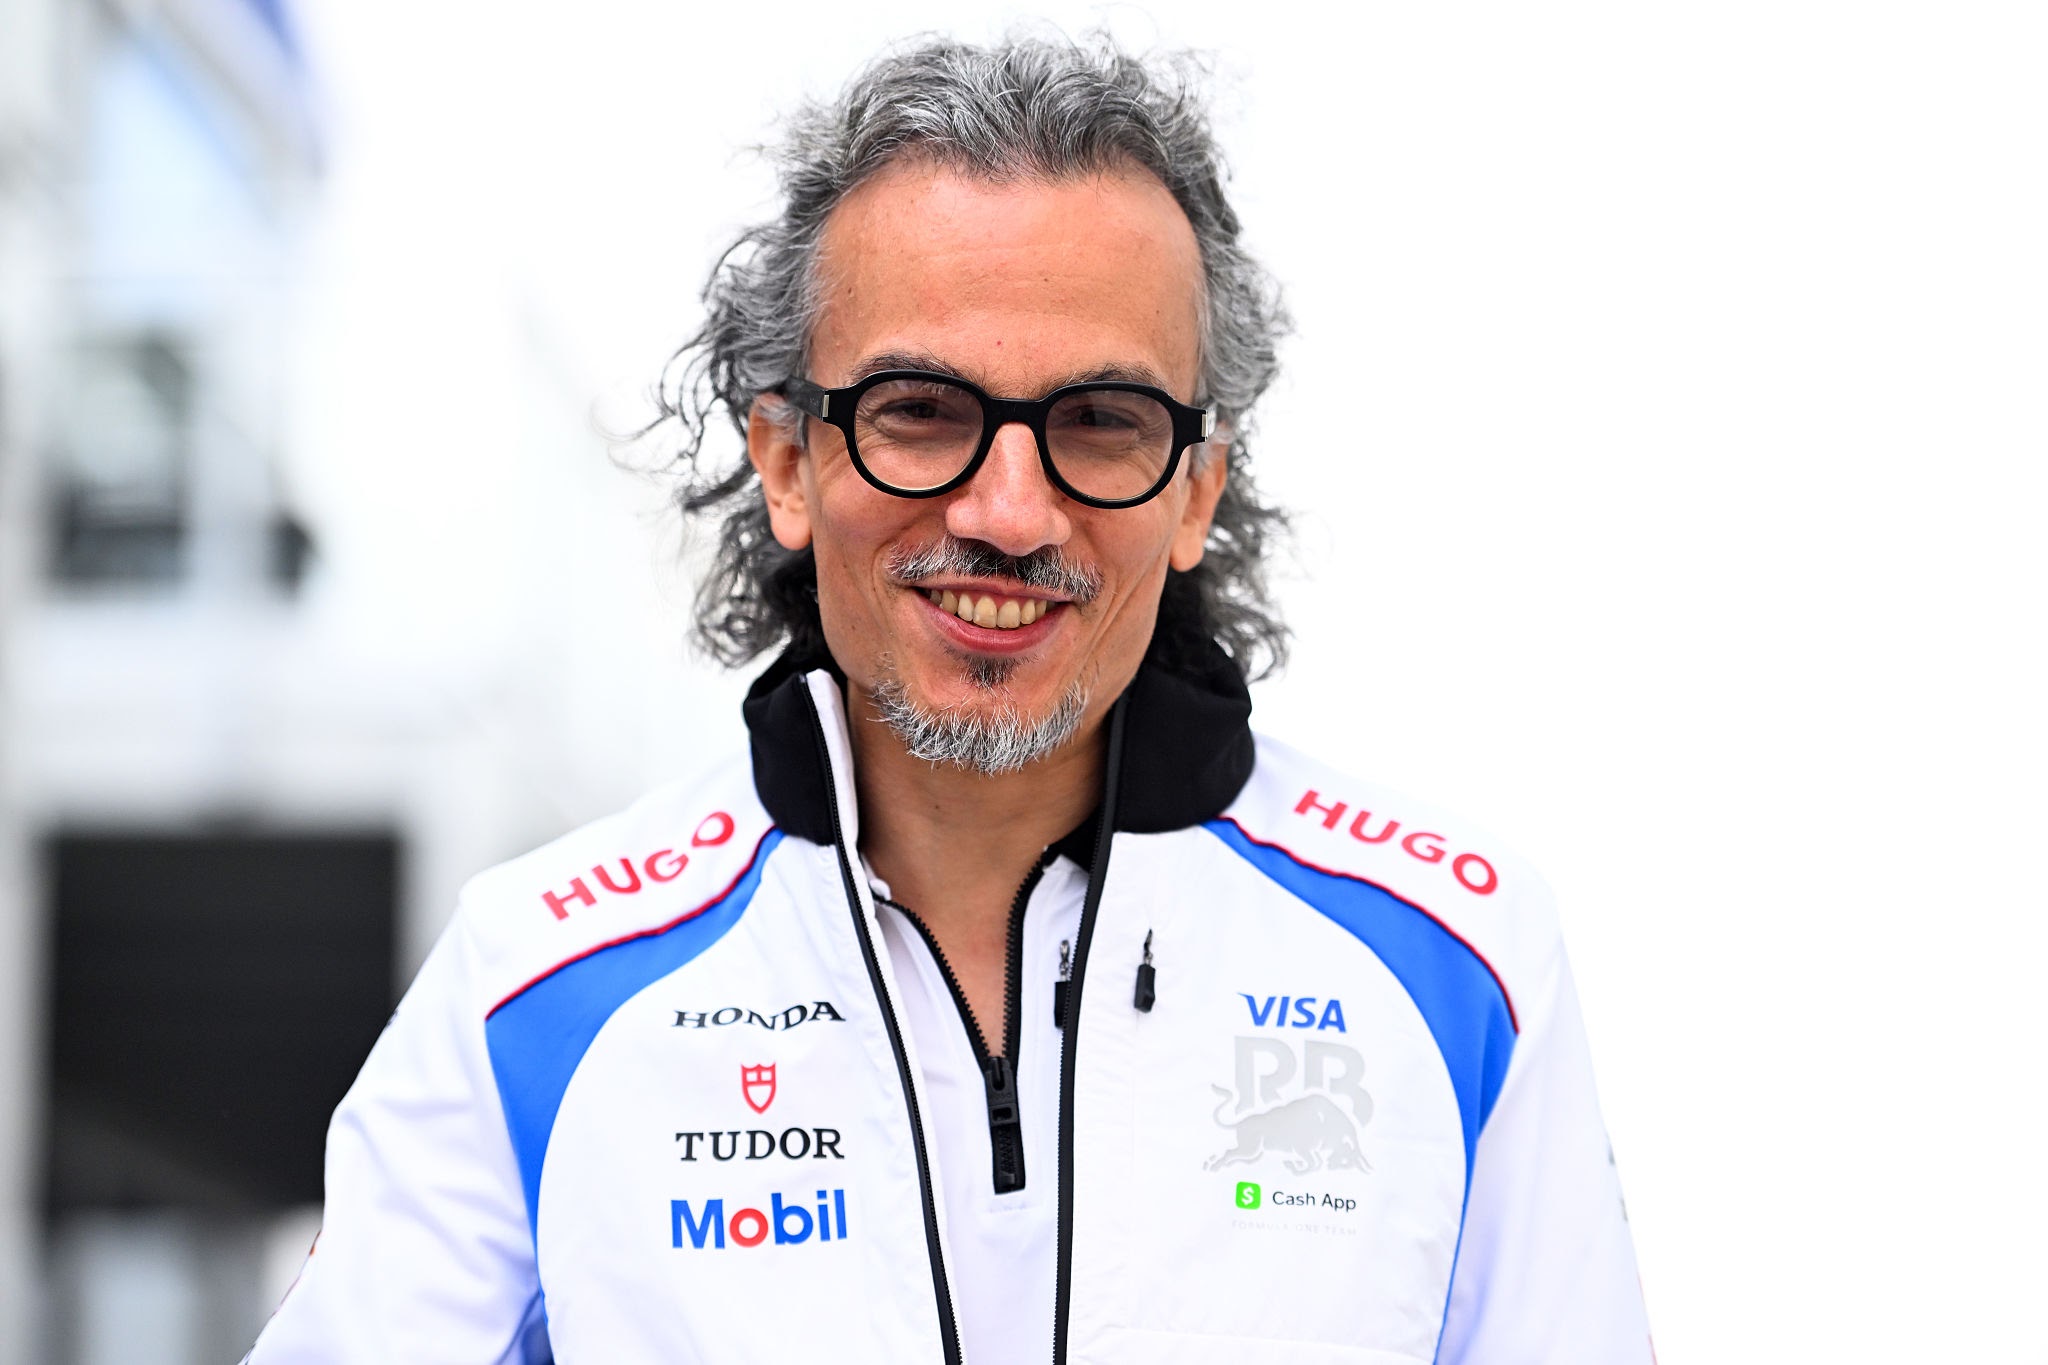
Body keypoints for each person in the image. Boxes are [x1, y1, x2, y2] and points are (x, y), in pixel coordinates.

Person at [248, 32, 1651, 1365]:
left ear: (1195, 493)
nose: (1008, 511)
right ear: (786, 463)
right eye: (920, 410)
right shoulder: (534, 991)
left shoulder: (1460, 965)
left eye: (1101, 422)